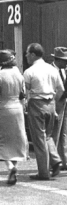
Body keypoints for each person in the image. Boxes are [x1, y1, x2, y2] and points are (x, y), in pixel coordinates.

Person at [24, 43, 64, 180]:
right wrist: (55, 104)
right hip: (51, 103)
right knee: (47, 136)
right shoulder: (52, 69)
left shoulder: (29, 72)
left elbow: (26, 91)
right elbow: (61, 89)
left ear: (33, 54)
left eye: (27, 53)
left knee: (39, 140)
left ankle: (43, 172)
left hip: (36, 103)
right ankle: (55, 158)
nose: (26, 56)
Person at [0, 50, 28, 185]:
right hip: (18, 108)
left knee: (3, 141)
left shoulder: (0, 75)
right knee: (16, 140)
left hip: (3, 108)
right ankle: (14, 167)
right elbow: (23, 95)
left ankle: (10, 167)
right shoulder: (19, 75)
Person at [51, 47, 67, 171]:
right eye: (65, 60)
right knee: (54, 133)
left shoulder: (63, 71)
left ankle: (65, 160)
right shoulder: (51, 71)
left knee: (64, 133)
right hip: (55, 104)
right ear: (58, 60)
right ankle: (53, 161)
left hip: (64, 104)